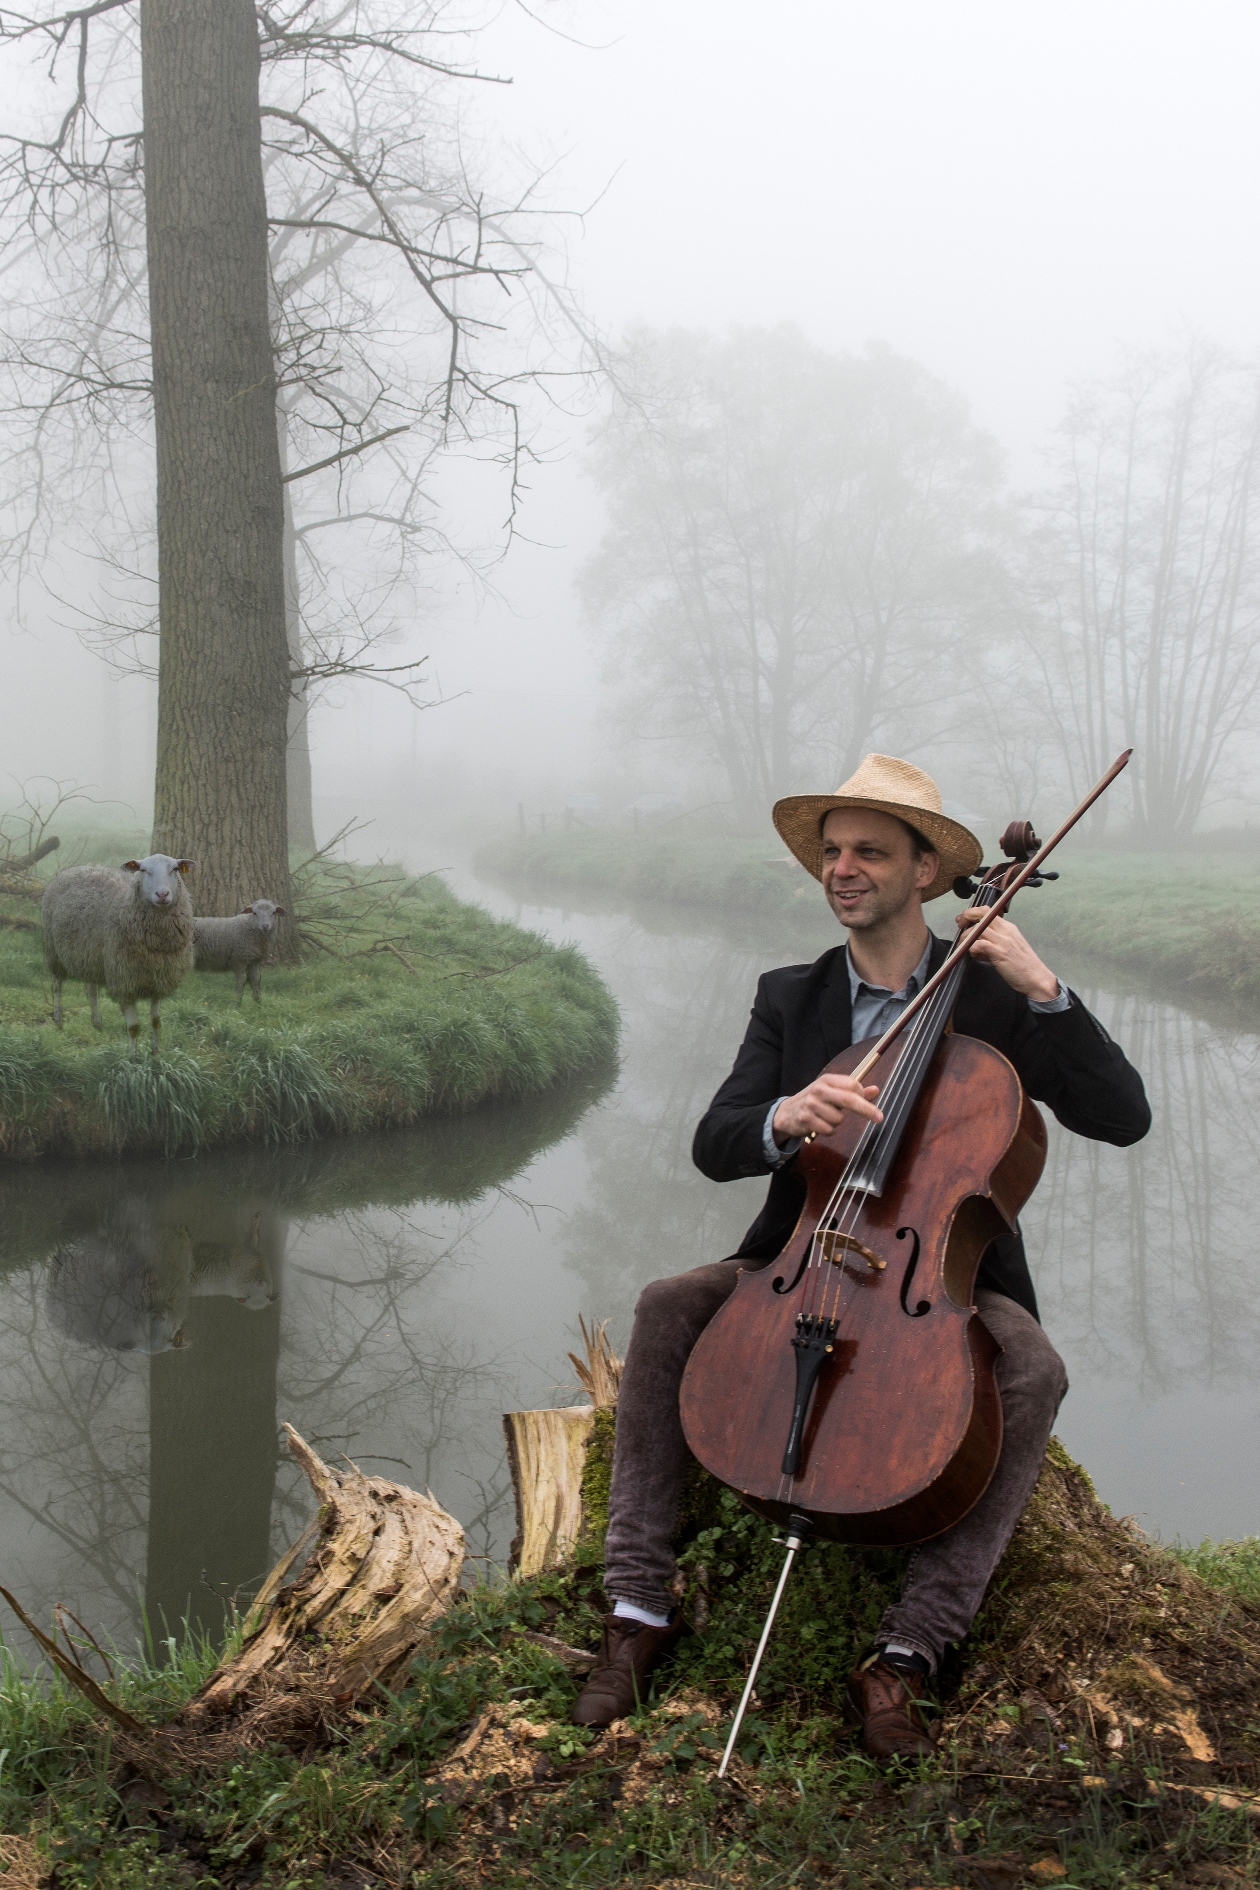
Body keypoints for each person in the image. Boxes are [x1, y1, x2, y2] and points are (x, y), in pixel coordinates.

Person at [572, 754, 1150, 1756]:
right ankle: (637, 1613)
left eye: (869, 852)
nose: (842, 868)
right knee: (669, 1301)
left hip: (944, 1273)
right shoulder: (790, 999)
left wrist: (1043, 985)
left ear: (927, 873)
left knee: (1035, 1369)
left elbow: (1123, 1117)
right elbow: (715, 1142)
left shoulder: (996, 1002)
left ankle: (909, 1652)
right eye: (832, 851)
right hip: (803, 1246)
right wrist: (786, 1117)